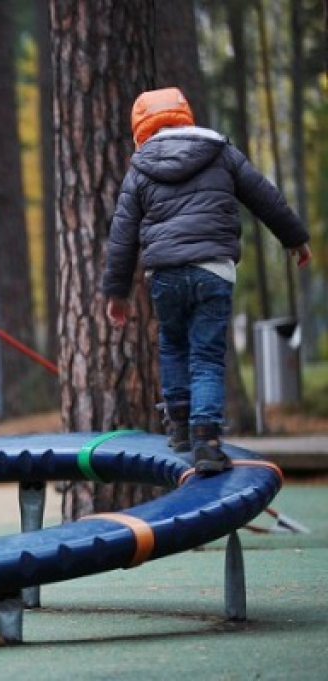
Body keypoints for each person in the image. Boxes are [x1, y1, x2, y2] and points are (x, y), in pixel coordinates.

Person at [102, 87, 311, 476]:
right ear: (186, 116)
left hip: (164, 273)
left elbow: (122, 235)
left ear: (140, 129)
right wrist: (295, 238)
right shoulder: (220, 152)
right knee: (207, 357)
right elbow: (265, 196)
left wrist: (117, 293)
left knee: (173, 345)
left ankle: (179, 427)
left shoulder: (139, 169)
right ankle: (207, 442)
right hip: (213, 270)